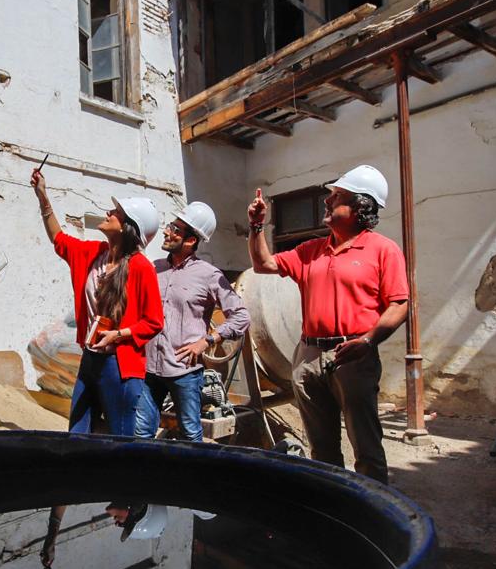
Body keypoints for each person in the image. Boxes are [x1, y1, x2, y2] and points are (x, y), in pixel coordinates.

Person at [246, 165, 409, 483]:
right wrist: (256, 226)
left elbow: (399, 305)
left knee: (366, 445)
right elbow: (263, 264)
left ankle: (374, 511)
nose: (327, 201)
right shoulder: (312, 250)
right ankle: (333, 503)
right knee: (321, 448)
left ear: (360, 207)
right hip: (307, 355)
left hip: (353, 355)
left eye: (338, 196)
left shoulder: (383, 250)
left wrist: (367, 341)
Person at [31, 166, 163, 436]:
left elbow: (154, 321)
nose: (109, 213)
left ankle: (119, 478)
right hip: (90, 359)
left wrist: (118, 334)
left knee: (121, 437)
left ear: (128, 227)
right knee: (78, 432)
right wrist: (42, 197)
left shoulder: (141, 267)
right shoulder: (93, 254)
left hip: (119, 365)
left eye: (117, 213)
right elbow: (59, 239)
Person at [136, 202, 249, 442]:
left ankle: (193, 478)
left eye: (175, 229)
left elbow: (241, 316)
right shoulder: (154, 269)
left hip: (184, 370)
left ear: (190, 241)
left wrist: (207, 340)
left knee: (190, 433)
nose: (167, 232)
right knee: (141, 433)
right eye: (170, 226)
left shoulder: (209, 275)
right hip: (149, 368)